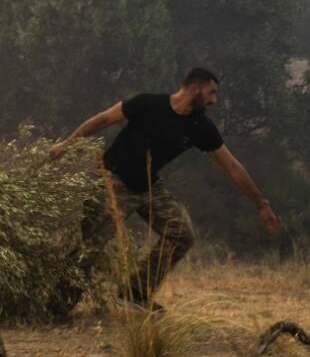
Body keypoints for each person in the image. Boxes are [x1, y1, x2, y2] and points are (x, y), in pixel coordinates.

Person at [49, 67, 278, 309]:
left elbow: (231, 166)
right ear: (194, 89)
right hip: (111, 180)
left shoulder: (201, 127)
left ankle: (133, 295)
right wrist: (66, 144)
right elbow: (103, 119)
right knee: (90, 247)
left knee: (182, 235)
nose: (214, 100)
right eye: (211, 93)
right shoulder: (147, 103)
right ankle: (54, 308)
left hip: (148, 187)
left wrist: (260, 203)